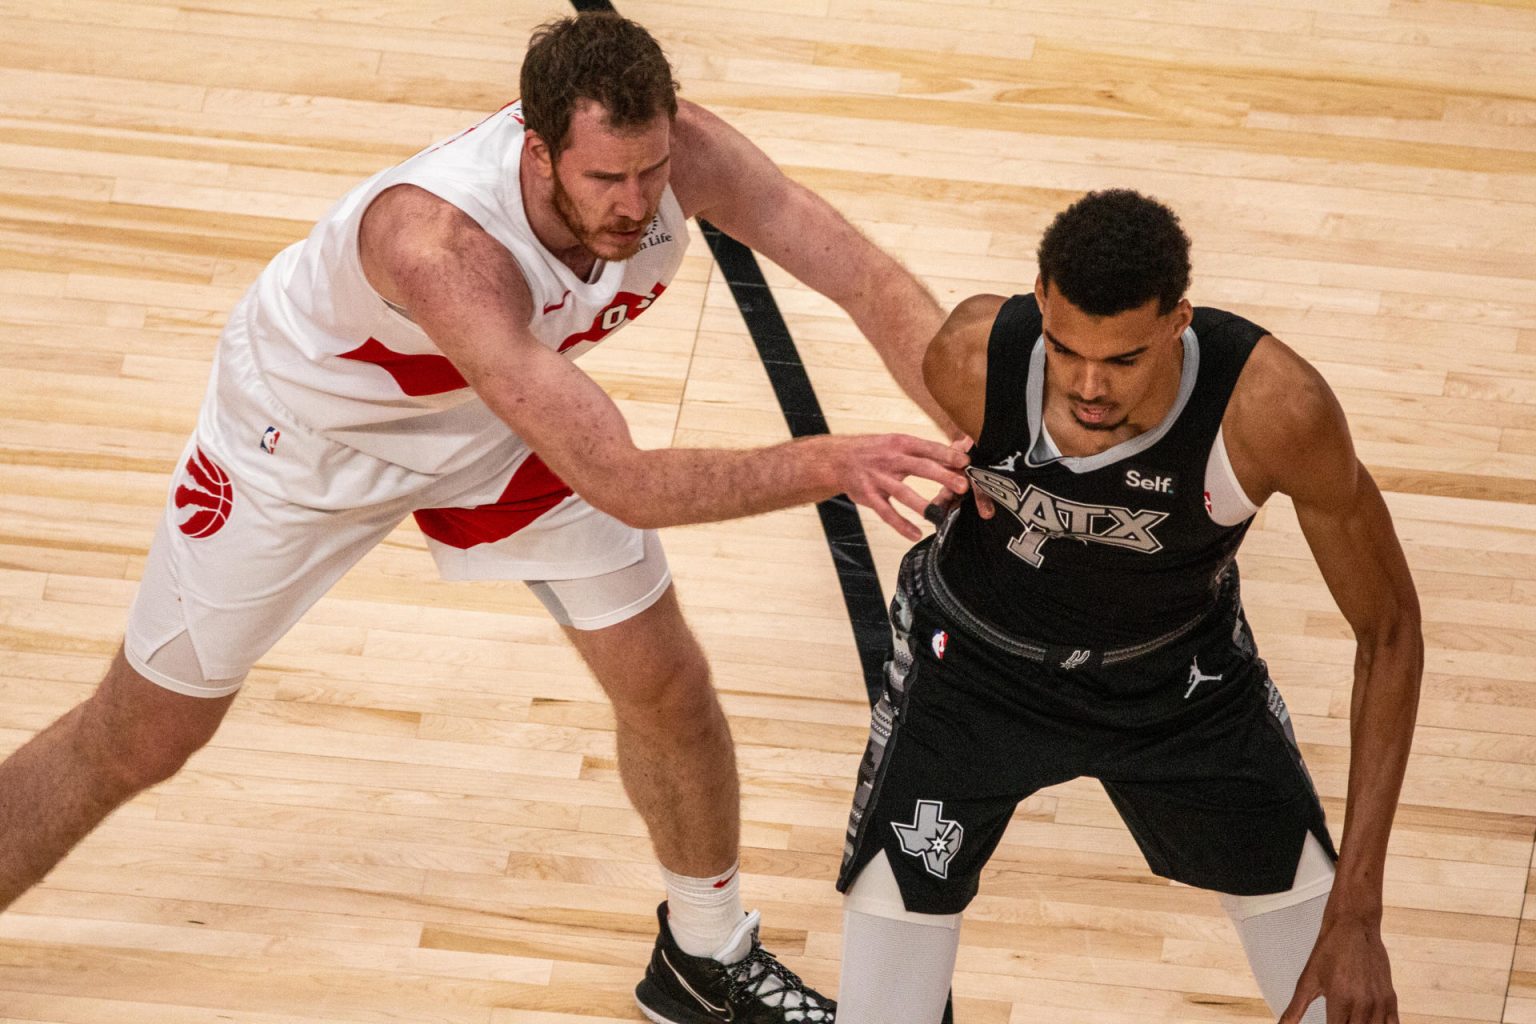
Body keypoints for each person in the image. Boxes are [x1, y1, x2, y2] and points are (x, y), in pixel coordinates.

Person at [0, 13, 972, 1024]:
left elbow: (861, 275)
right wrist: (834, 461)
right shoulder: (440, 244)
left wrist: (980, 437)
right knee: (143, 736)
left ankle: (703, 952)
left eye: (650, 171)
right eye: (606, 180)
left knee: (666, 682)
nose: (637, 204)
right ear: (537, 148)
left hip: (498, 420)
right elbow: (625, 481)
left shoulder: (686, 155)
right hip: (305, 437)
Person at [833, 189, 1422, 1024]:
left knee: (1343, 1006)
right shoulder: (967, 358)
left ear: (1179, 319)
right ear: (1039, 299)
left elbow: (1391, 633)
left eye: (1123, 360)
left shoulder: (1274, 412)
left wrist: (1360, 913)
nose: (1088, 386)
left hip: (1177, 688)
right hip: (971, 674)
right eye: (1067, 350)